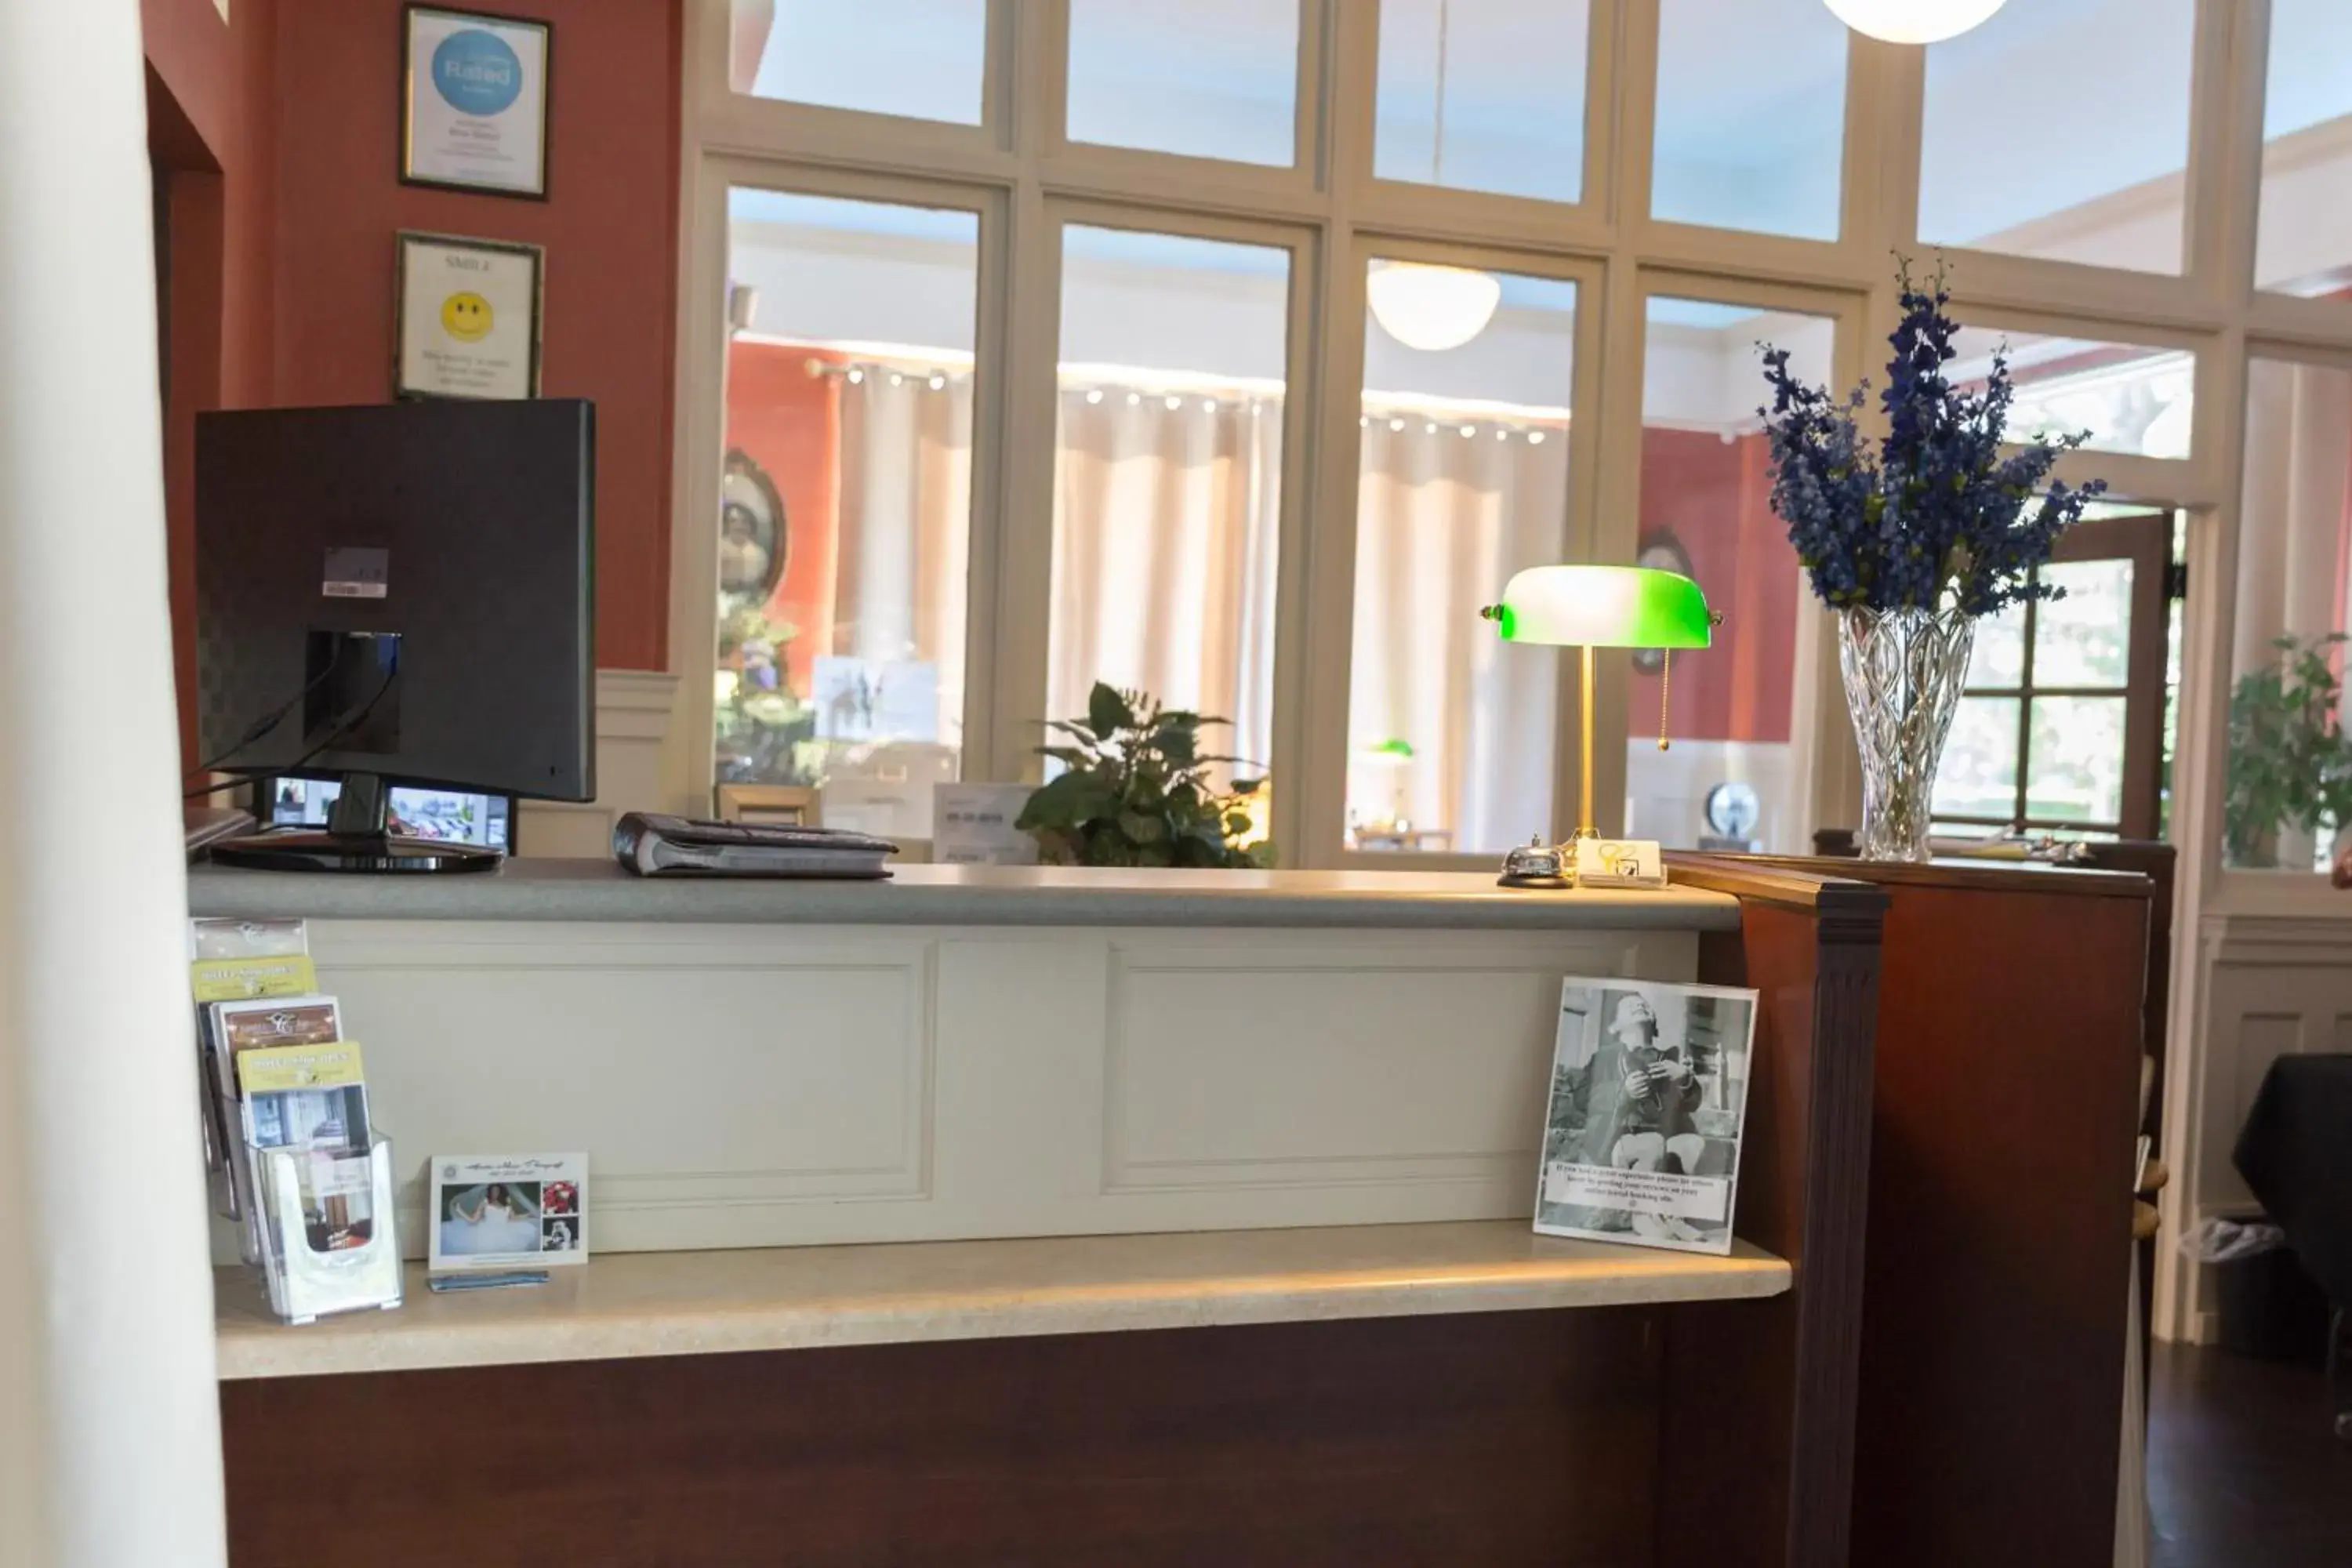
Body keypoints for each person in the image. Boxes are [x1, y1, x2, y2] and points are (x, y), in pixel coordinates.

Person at [1557, 992, 1710, 1242]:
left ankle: (1675, 1217)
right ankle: (1642, 1215)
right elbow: (1581, 1098)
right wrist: (1622, 1093)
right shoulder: (1605, 1057)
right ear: (1615, 1026)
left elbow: (1692, 1104)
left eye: (1644, 1004)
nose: (1639, 1004)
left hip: (1664, 1135)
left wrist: (1684, 1079)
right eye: (1630, 1005)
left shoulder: (1669, 1058)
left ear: (1655, 1022)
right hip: (1620, 1135)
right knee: (1652, 1143)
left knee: (1692, 1144)